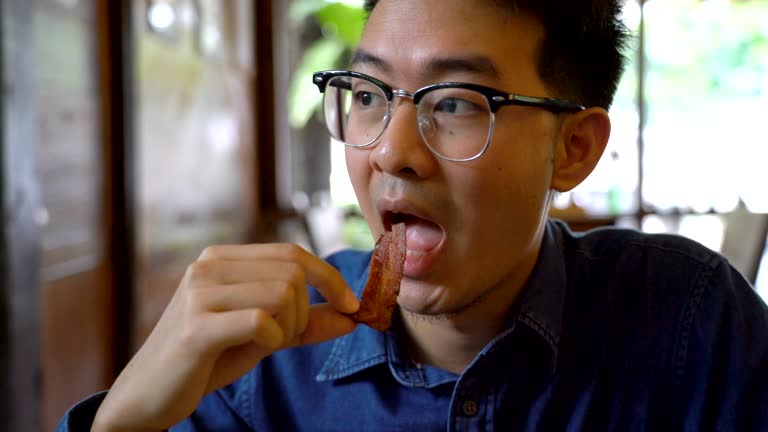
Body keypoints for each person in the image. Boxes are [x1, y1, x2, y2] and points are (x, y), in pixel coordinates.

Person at [60, 0, 768, 430]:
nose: (392, 152)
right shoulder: (262, 360)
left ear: (573, 149)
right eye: (367, 94)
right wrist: (126, 418)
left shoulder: (691, 324)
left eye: (456, 102)